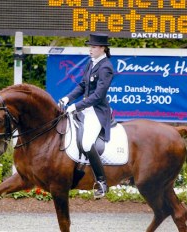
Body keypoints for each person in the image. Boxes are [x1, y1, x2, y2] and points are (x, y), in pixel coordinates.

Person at [59, 33, 114, 198]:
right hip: (86, 109)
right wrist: (67, 98)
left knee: (87, 142)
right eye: (90, 46)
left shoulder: (106, 67)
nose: (90, 49)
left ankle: (102, 182)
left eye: (94, 47)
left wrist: (75, 106)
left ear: (102, 48)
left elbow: (98, 95)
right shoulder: (92, 63)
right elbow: (83, 85)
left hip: (98, 111)